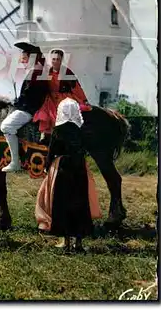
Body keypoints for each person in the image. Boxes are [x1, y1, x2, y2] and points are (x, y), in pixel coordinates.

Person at [35, 98, 101, 252]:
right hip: (79, 167)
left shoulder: (58, 130)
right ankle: (78, 243)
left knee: (62, 203)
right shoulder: (82, 130)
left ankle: (65, 242)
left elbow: (52, 151)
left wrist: (47, 167)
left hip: (62, 168)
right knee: (80, 203)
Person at [1, 41, 49, 172]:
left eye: (24, 58)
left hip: (30, 110)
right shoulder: (38, 70)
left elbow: (29, 96)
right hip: (30, 106)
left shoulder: (36, 72)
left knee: (6, 126)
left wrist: (16, 102)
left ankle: (15, 162)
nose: (22, 61)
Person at [33, 49, 91, 135]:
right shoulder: (47, 72)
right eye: (53, 59)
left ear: (61, 60)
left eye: (58, 59)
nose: (55, 61)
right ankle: (45, 134)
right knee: (45, 112)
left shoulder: (67, 72)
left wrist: (84, 100)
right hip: (50, 98)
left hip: (64, 97)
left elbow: (76, 87)